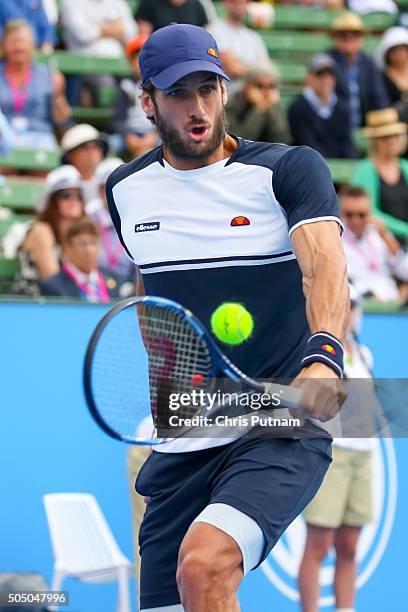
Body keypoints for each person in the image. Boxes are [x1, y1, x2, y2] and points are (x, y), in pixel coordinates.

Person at [106, 23, 349, 612]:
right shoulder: (124, 191)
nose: (198, 107)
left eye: (208, 89)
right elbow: (153, 295)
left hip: (281, 423)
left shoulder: (289, 170)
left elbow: (325, 266)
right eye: (178, 93)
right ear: (147, 103)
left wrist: (323, 356)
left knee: (205, 566)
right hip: (187, 433)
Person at [298, 286, 375, 612]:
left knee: (349, 545)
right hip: (333, 455)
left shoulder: (364, 353)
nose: (352, 313)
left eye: (354, 306)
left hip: (363, 455)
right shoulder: (321, 355)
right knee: (319, 545)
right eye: (347, 306)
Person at [0, 20, 70, 153]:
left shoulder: (47, 74)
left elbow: (61, 121)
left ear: (32, 45)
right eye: (13, 41)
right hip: (4, 137)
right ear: (4, 45)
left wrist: (59, 94)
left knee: (45, 161)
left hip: (40, 135)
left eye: (22, 41)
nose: (18, 47)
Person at [18, 165, 85, 288]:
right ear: (52, 201)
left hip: (67, 301)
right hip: (34, 302)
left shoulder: (79, 233)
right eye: (66, 195)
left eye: (79, 195)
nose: (74, 200)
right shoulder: (42, 231)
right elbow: (52, 282)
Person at [340, 184, 408, 302]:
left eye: (362, 215)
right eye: (349, 215)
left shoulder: (379, 233)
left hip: (389, 301)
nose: (355, 220)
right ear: (341, 212)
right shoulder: (336, 236)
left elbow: (403, 270)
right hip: (357, 303)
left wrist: (387, 238)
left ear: (370, 212)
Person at [351, 107, 408, 244]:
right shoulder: (365, 170)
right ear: (374, 141)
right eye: (385, 137)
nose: (392, 140)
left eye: (395, 135)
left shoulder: (405, 166)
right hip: (381, 243)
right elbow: (369, 213)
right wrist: (405, 230)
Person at [326, 11, 389, 129]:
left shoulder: (368, 62)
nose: (349, 37)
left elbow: (379, 99)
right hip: (334, 128)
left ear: (361, 37)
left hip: (366, 126)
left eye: (355, 33)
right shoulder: (326, 61)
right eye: (343, 34)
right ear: (335, 37)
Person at [288, 53, 356, 159]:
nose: (326, 80)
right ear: (309, 78)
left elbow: (347, 144)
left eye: (330, 75)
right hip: (310, 167)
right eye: (320, 75)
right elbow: (306, 144)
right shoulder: (298, 108)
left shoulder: (342, 108)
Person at [39, 217, 123, 300]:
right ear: (67, 248)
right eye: (82, 244)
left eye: (93, 243)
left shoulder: (116, 279)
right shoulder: (52, 286)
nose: (89, 250)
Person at [88, 157, 137, 281]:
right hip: (94, 287)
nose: (113, 192)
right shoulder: (88, 218)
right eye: (107, 187)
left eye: (119, 186)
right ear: (99, 191)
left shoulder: (136, 218)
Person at [111, 34, 158, 159]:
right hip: (130, 133)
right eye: (137, 58)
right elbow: (117, 118)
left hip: (154, 132)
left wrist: (154, 133)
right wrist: (127, 135)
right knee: (113, 143)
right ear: (130, 62)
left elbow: (166, 115)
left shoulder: (160, 87)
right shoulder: (125, 86)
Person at [207, 0, 269, 92]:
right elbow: (233, 69)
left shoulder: (254, 37)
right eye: (235, 2)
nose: (239, 5)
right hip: (227, 94)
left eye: (243, 2)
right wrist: (254, 68)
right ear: (226, 3)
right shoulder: (214, 30)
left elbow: (265, 71)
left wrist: (240, 63)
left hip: (253, 94)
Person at [225, 62, 290, 144]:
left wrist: (273, 109)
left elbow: (282, 139)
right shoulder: (233, 103)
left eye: (271, 86)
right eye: (259, 86)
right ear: (247, 85)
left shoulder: (274, 104)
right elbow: (239, 141)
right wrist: (258, 110)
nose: (266, 91)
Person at [60, 124, 108, 205]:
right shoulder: (60, 182)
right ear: (70, 155)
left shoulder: (109, 180)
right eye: (86, 146)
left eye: (98, 145)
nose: (94, 150)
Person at [375, 27, 408, 106]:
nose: (399, 53)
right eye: (394, 49)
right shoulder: (381, 78)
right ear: (387, 53)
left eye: (402, 48)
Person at [135, 0, 208, 35]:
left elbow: (203, 33)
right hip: (162, 51)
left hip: (192, 51)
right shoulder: (148, 3)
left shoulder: (195, 4)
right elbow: (144, 37)